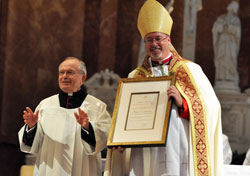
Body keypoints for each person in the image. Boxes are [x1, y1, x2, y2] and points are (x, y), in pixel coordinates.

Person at [104, 0, 224, 175]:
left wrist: (183, 103)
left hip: (176, 148)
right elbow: (125, 117)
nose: (154, 44)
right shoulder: (135, 76)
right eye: (149, 40)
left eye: (158, 38)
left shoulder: (189, 70)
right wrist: (121, 138)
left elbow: (212, 108)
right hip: (143, 151)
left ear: (169, 40)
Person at [18, 57, 111, 176]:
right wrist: (32, 127)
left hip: (83, 170)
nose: (64, 76)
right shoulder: (45, 105)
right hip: (49, 169)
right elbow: (32, 144)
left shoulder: (97, 106)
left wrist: (88, 128)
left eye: (70, 72)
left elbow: (104, 136)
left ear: (82, 78)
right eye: (61, 72)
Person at [212, 1, 241, 82]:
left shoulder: (236, 19)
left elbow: (238, 32)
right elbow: (215, 28)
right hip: (222, 40)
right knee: (221, 57)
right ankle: (221, 77)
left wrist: (229, 27)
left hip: (231, 42)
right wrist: (222, 26)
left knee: (230, 58)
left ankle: (230, 77)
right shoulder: (221, 17)